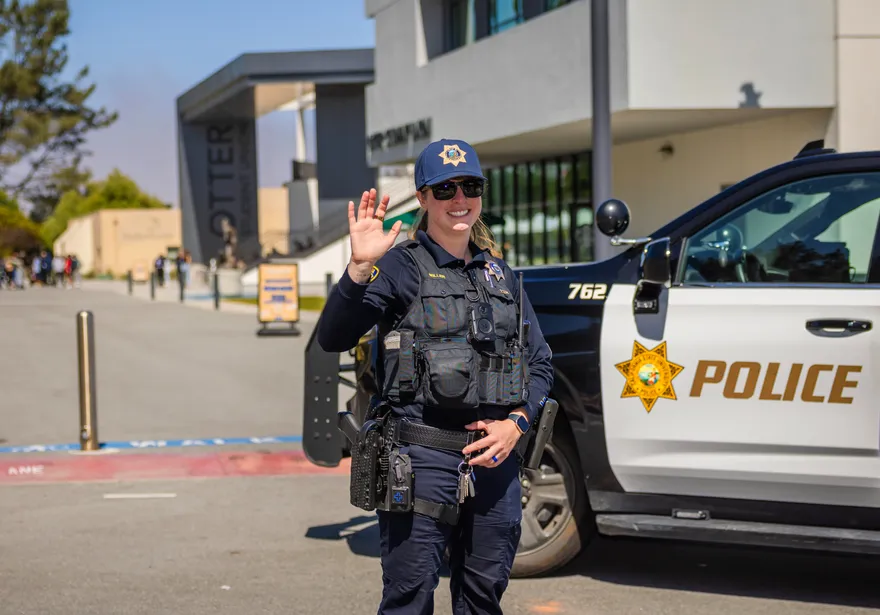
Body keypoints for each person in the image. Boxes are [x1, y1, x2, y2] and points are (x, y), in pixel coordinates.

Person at [318, 138, 554, 614]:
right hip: (420, 461)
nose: (459, 200)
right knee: (409, 599)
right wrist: (360, 267)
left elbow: (540, 362)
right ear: (423, 199)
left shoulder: (501, 276)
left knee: (483, 600)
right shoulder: (398, 269)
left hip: (493, 465)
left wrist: (517, 424)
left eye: (470, 186)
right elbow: (332, 335)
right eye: (444, 189)